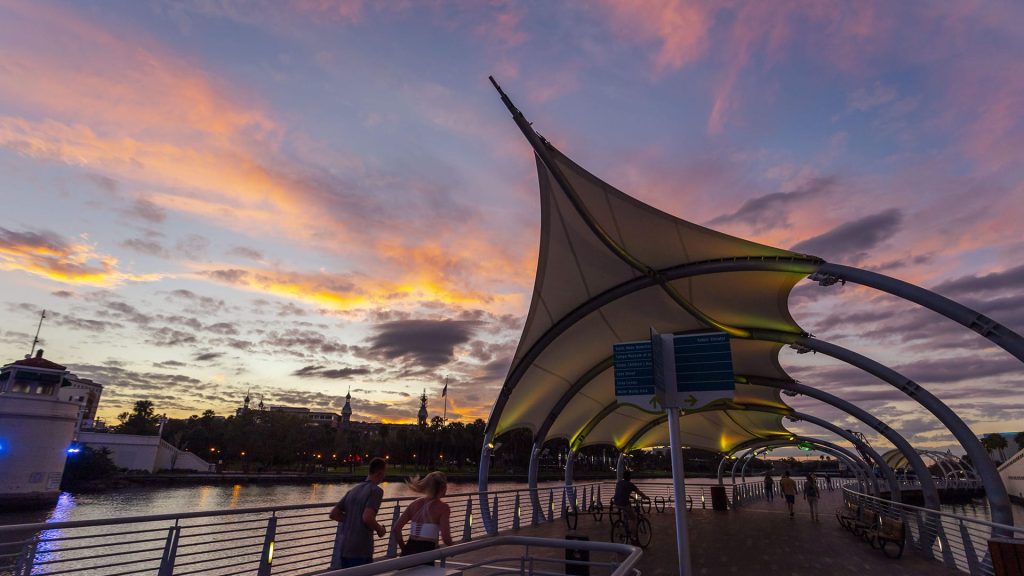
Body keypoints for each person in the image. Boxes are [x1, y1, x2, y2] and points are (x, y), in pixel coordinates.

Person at [329, 457, 388, 568]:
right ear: (380, 473)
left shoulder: (353, 490)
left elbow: (334, 514)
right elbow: (367, 517)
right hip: (361, 549)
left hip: (345, 548)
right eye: (384, 473)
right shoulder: (376, 491)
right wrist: (380, 530)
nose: (384, 476)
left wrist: (351, 519)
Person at [392, 471, 453, 563]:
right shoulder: (443, 508)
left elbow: (396, 528)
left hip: (409, 549)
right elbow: (446, 537)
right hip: (426, 552)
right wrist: (454, 548)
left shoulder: (414, 504)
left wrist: (404, 549)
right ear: (442, 487)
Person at [613, 470, 648, 544]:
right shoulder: (630, 484)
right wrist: (645, 497)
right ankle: (633, 537)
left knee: (626, 513)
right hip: (624, 503)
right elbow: (639, 492)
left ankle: (625, 527)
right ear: (629, 477)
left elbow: (622, 493)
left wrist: (632, 497)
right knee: (634, 518)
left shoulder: (619, 483)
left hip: (616, 502)